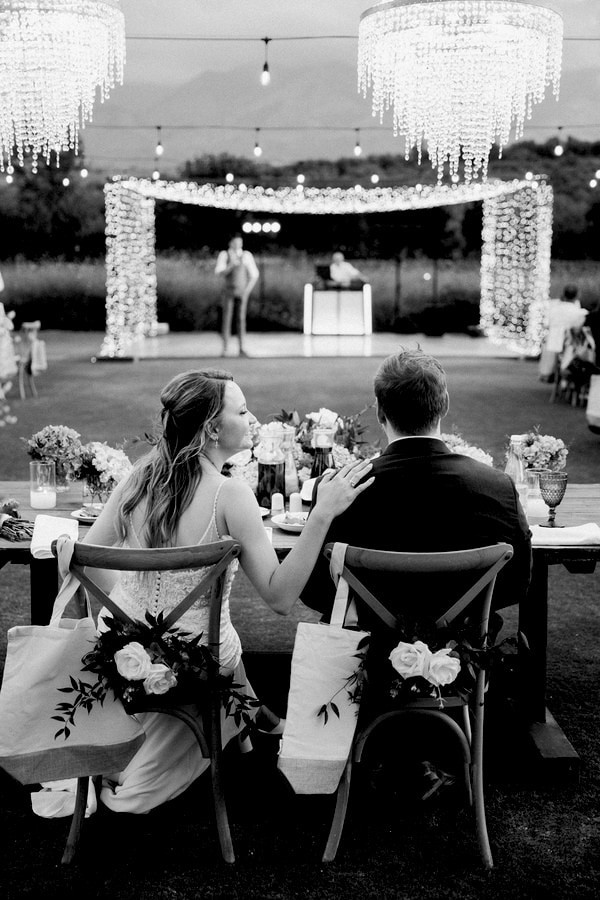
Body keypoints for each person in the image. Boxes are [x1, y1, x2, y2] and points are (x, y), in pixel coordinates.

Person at [32, 369, 373, 818]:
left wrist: (134, 618)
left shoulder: (138, 477)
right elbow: (279, 597)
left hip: (120, 651)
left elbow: (90, 557)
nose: (251, 418)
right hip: (198, 661)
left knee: (214, 630)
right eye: (243, 410)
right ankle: (249, 721)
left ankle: (257, 717)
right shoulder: (230, 494)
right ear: (212, 428)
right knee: (218, 639)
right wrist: (322, 515)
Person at [301, 348, 532, 626]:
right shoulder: (497, 486)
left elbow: (313, 590)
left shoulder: (338, 489)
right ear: (444, 405)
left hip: (364, 648)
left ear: (379, 411)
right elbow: (516, 583)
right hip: (461, 648)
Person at [215, 236, 259, 357]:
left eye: (240, 242)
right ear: (230, 242)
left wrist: (247, 290)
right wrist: (230, 265)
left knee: (241, 318)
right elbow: (219, 272)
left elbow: (254, 274)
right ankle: (225, 347)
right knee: (226, 318)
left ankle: (242, 346)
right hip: (228, 291)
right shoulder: (225, 255)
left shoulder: (246, 255)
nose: (238, 244)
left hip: (242, 291)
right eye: (235, 242)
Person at [539, 284, 587, 381]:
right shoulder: (578, 312)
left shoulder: (554, 308)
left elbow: (546, 323)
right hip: (568, 342)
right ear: (577, 296)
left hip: (553, 341)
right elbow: (579, 325)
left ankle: (548, 372)